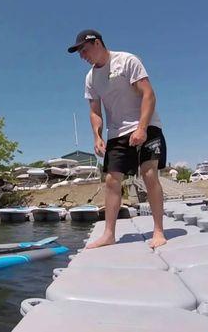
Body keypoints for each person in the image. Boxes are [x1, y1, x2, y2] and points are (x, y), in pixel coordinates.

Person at [67, 29, 167, 249]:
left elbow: (149, 94)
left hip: (146, 125)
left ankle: (158, 231)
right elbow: (95, 111)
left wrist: (141, 128)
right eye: (79, 53)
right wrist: (97, 136)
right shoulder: (90, 78)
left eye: (84, 50)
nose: (82, 56)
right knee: (112, 181)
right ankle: (109, 234)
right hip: (117, 133)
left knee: (149, 173)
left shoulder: (127, 61)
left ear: (98, 43)